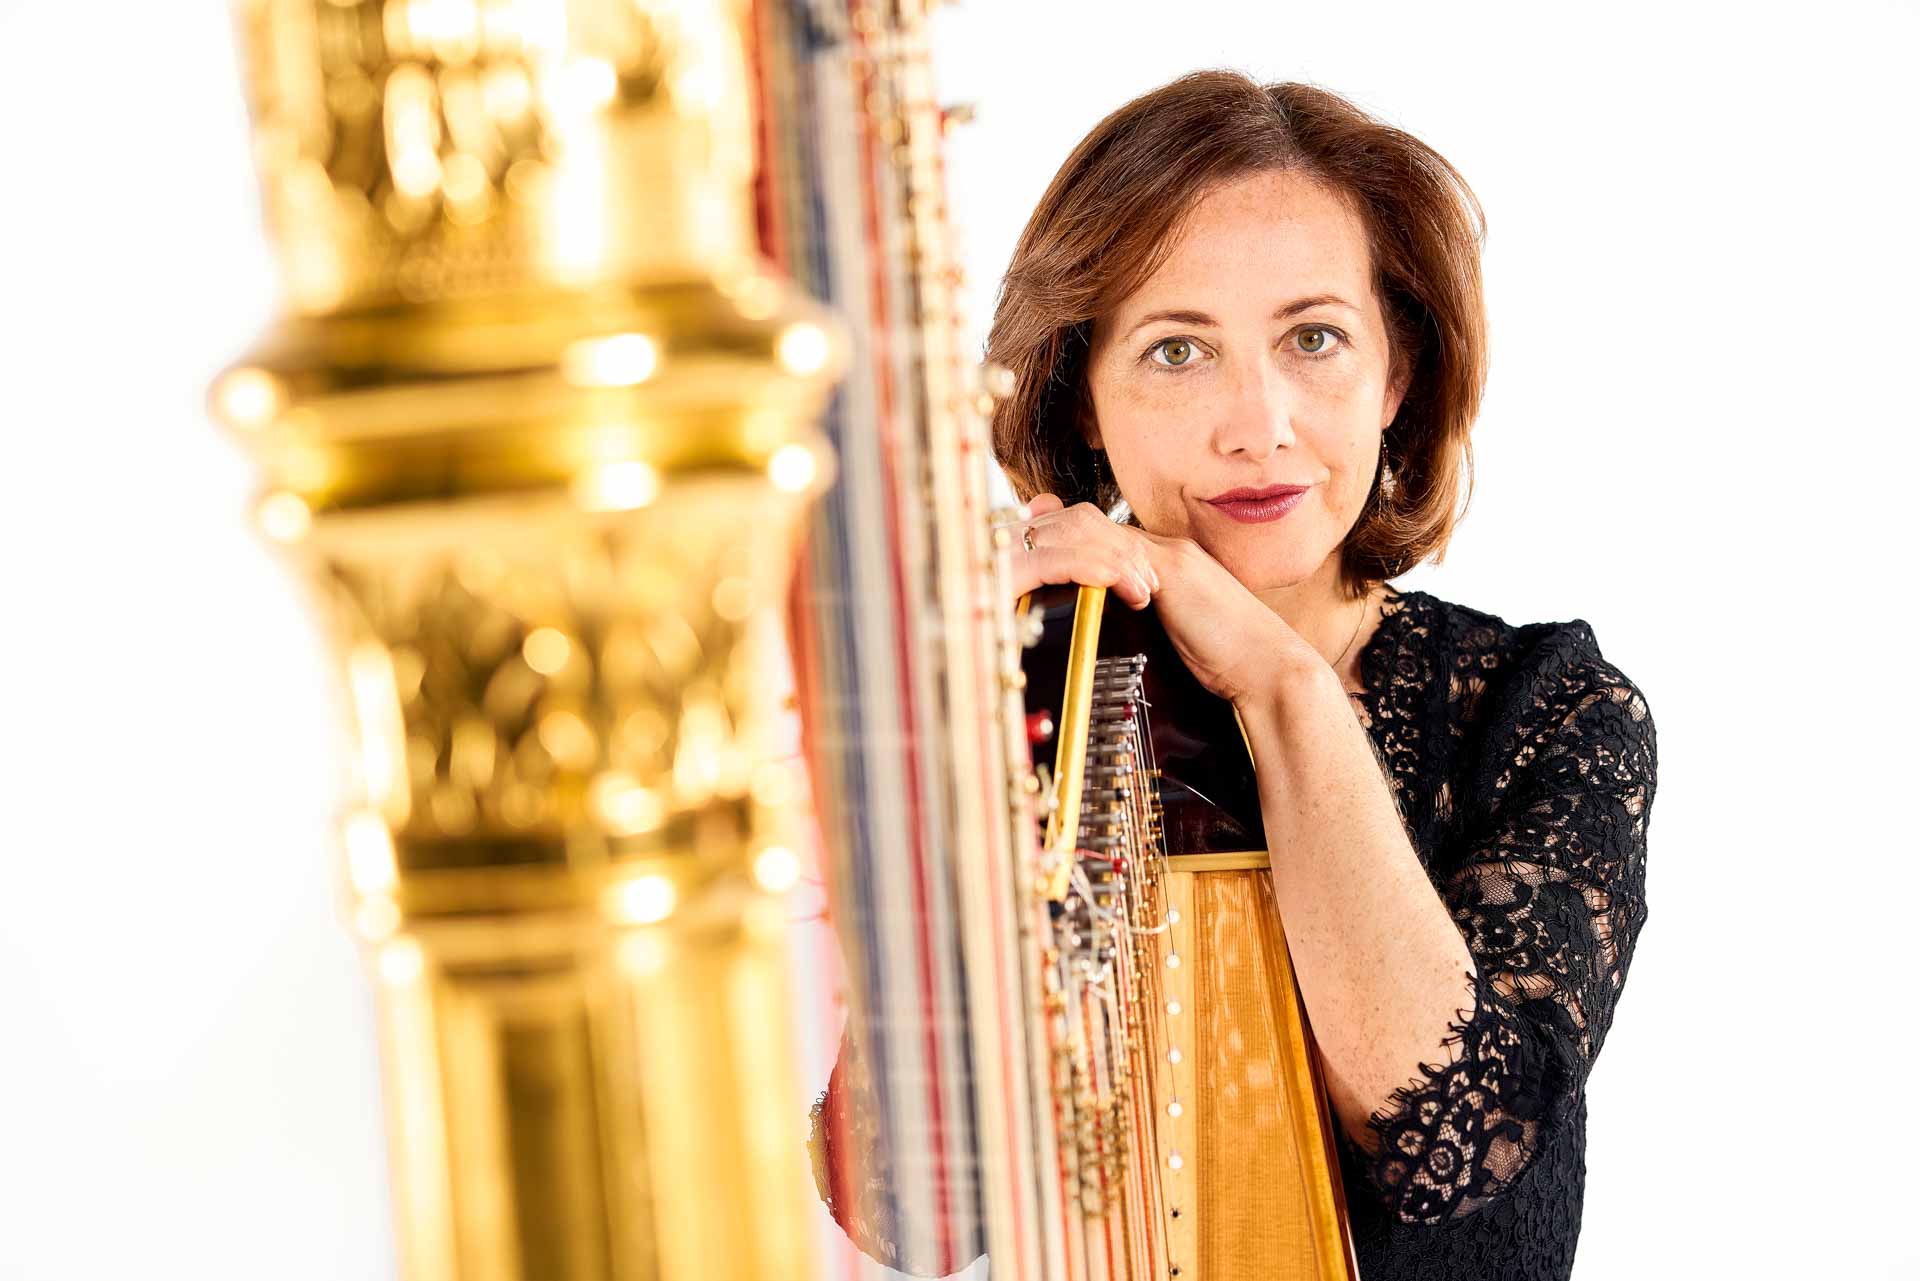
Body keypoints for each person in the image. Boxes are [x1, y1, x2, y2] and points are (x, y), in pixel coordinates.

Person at [814, 70, 1657, 1281]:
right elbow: (907, 1206)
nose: (1256, 424)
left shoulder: (1548, 709)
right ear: (1084, 401)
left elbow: (1448, 1141)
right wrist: (953, 729)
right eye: (1177, 351)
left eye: (1314, 339)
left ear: (1396, 375)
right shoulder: (1034, 691)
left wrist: (1282, 682)